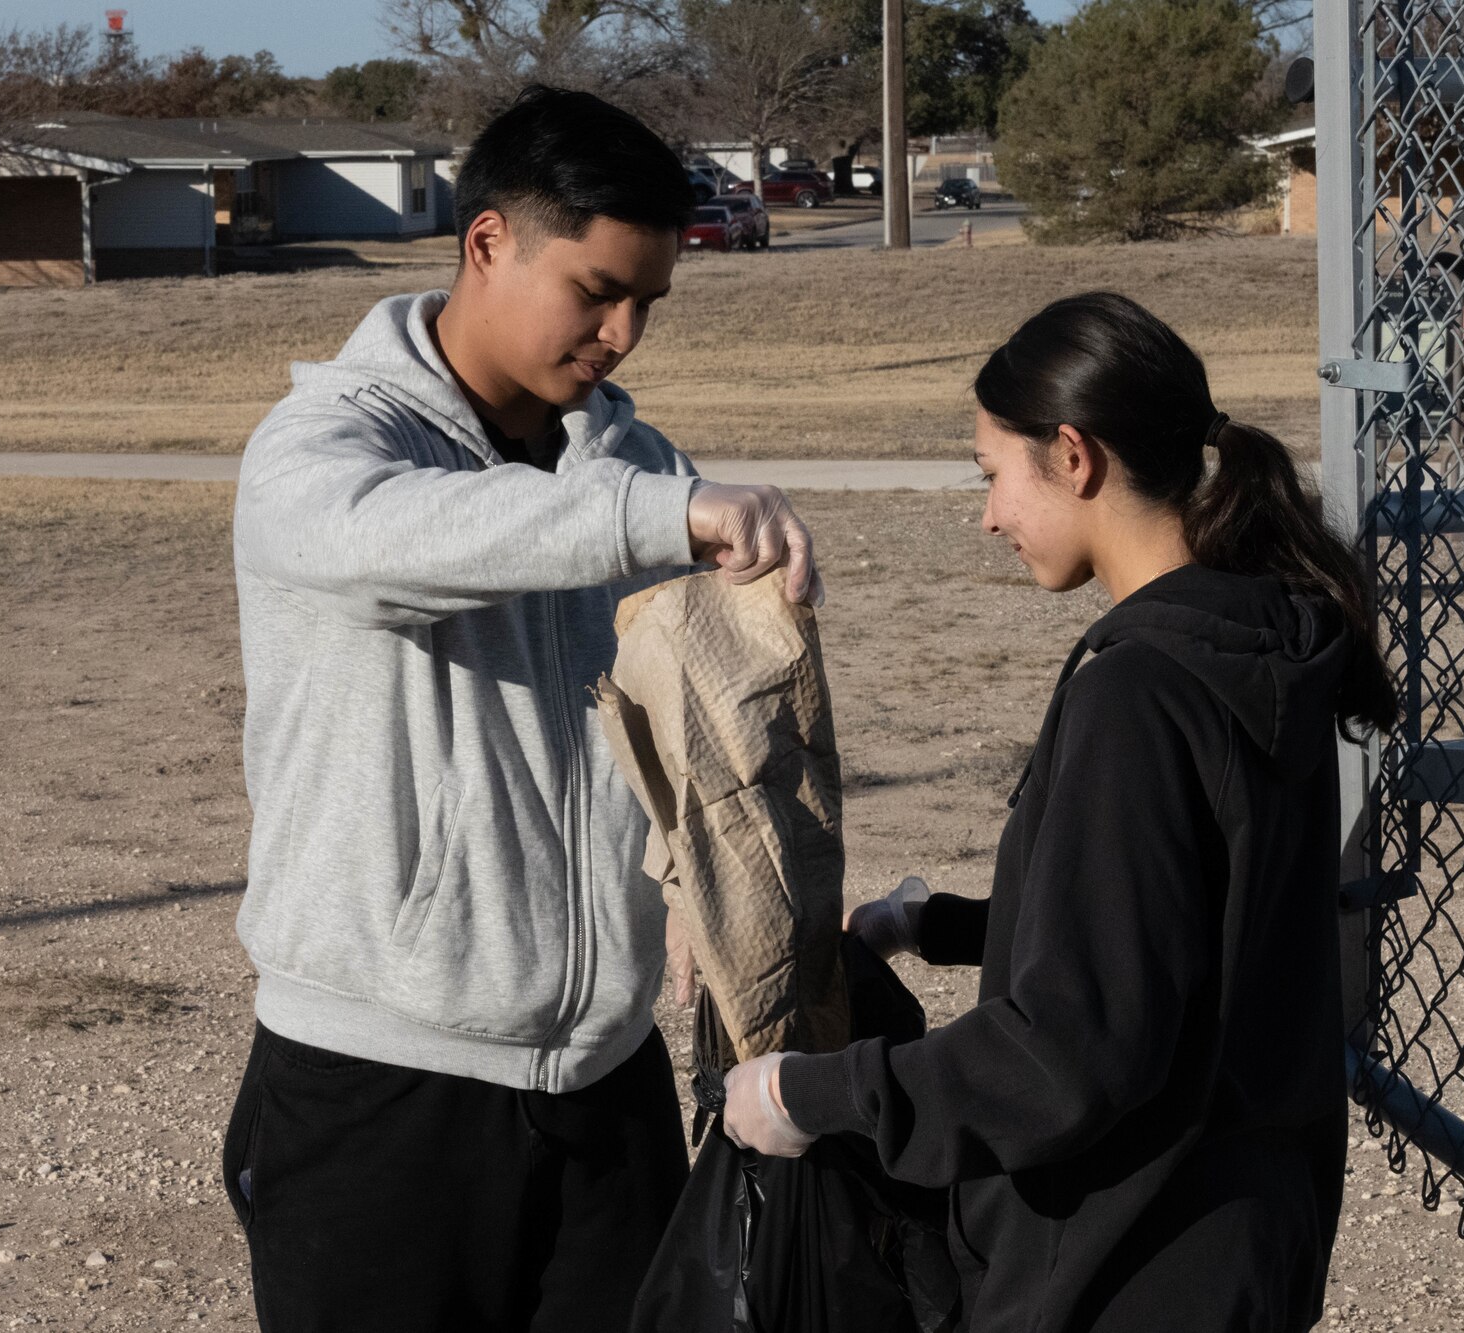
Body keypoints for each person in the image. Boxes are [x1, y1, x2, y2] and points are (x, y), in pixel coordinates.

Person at [221, 85, 821, 1333]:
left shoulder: (633, 463)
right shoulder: (322, 441)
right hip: (379, 1082)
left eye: (649, 300)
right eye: (595, 290)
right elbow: (365, 540)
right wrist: (652, 520)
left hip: (609, 1078)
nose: (622, 333)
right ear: (485, 242)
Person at [723, 292, 1399, 1332]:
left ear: (1072, 456)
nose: (987, 513)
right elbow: (1181, 930)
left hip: (1128, 1262)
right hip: (1243, 1236)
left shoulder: (1139, 691)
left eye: (992, 473)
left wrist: (809, 1097)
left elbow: (1068, 1056)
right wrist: (943, 923)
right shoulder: (1256, 645)